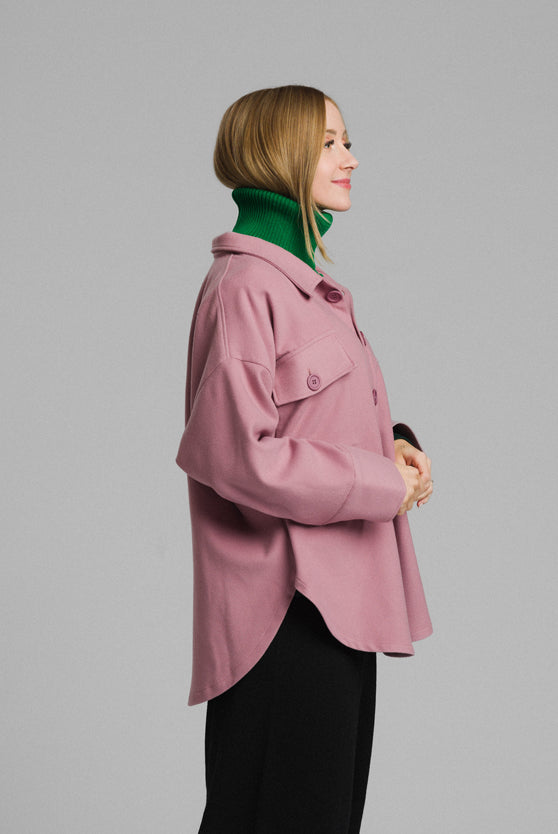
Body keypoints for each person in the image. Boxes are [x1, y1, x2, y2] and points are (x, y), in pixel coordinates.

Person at [176, 85, 433, 834]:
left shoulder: (308, 290)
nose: (349, 158)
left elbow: (313, 422)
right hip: (284, 613)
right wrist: (381, 484)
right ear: (275, 154)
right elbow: (237, 458)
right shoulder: (246, 287)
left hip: (338, 609)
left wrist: (394, 445)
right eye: (328, 143)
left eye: (347, 141)